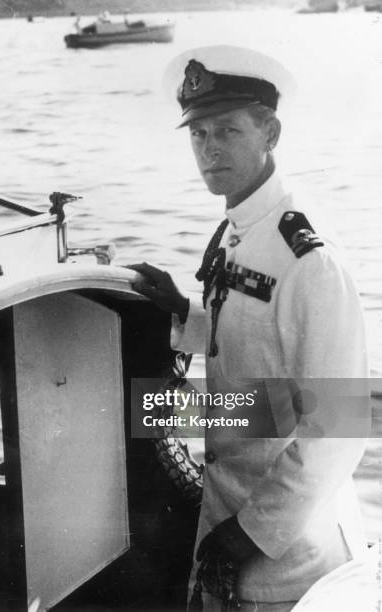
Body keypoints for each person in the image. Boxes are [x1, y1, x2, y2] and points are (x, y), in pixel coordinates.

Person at [129, 45, 370, 611]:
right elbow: (257, 346)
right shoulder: (241, 229)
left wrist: (249, 533)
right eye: (199, 135)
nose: (210, 151)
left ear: (271, 133)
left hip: (288, 562)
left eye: (228, 131)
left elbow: (339, 427)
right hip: (227, 522)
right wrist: (182, 315)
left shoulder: (308, 259)